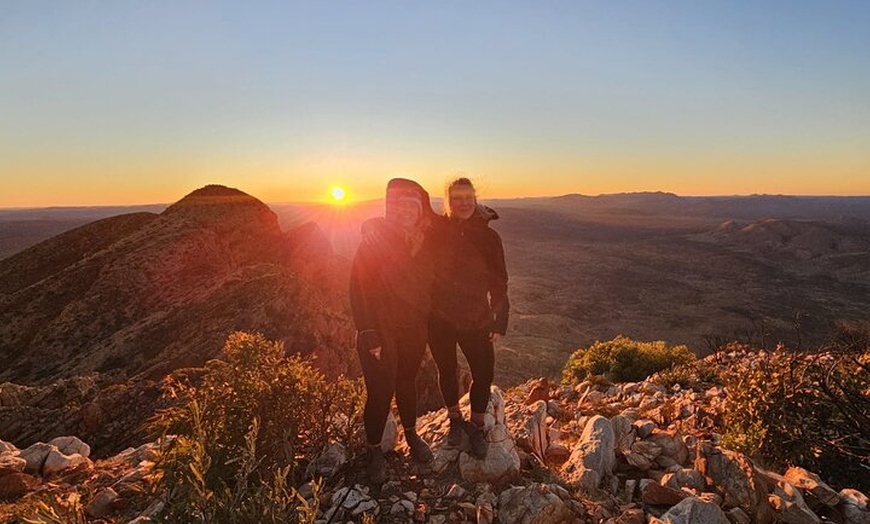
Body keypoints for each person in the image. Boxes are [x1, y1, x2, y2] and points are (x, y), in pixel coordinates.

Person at [349, 178, 437, 484]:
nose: (406, 212)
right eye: (400, 207)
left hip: (414, 327)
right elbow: (358, 288)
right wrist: (368, 331)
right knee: (380, 392)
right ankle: (374, 450)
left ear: (420, 210)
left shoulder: (425, 240)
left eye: (413, 207)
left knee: (407, 383)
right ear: (391, 209)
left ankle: (411, 434)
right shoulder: (374, 240)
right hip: (380, 330)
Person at [428, 177, 509, 459]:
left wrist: (499, 319)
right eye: (457, 198)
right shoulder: (435, 231)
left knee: (484, 374)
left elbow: (499, 282)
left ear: (475, 200)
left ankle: (475, 426)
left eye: (468, 198)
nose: (463, 203)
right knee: (447, 370)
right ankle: (454, 420)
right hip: (438, 317)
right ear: (448, 202)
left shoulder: (488, 237)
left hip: (476, 317)